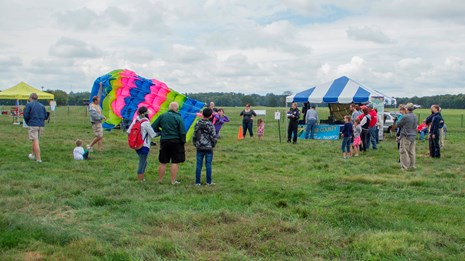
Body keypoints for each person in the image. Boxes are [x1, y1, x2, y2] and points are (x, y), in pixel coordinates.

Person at [152, 102, 186, 185]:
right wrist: (183, 141)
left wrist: (161, 132)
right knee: (175, 161)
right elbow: (182, 131)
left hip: (164, 141)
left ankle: (160, 180)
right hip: (176, 141)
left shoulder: (162, 116)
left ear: (169, 108)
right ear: (177, 109)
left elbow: (153, 127)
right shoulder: (178, 117)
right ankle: (173, 181)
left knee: (163, 161)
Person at [128, 106, 157, 181]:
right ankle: (140, 178)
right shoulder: (146, 123)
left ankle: (141, 176)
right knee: (142, 162)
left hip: (136, 145)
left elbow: (129, 131)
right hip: (144, 145)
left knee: (144, 161)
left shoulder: (135, 121)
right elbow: (153, 134)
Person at [193, 108, 217, 186]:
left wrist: (195, 143)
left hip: (199, 146)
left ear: (202, 114)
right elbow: (213, 136)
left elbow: (194, 135)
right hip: (208, 147)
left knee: (199, 165)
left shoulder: (197, 123)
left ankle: (197, 182)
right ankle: (208, 182)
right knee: (208, 165)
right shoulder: (210, 125)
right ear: (210, 116)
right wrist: (213, 144)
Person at [23, 93, 47, 163]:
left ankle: (38, 159)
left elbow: (26, 115)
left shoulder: (29, 105)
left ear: (30, 98)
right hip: (41, 124)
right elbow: (45, 116)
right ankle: (33, 155)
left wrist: (28, 122)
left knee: (35, 141)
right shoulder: (42, 105)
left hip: (33, 124)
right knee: (35, 140)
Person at [396, 103, 418, 170]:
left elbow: (398, 124)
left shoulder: (406, 117)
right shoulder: (415, 116)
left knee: (403, 151)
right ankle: (412, 165)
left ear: (407, 109)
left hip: (406, 135)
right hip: (413, 135)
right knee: (412, 151)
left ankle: (404, 166)